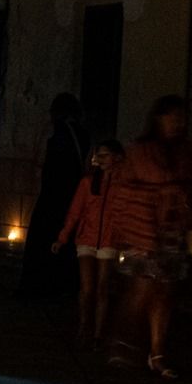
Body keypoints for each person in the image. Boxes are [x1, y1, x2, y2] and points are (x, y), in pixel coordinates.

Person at [109, 95, 192, 378]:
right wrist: (158, 194)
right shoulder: (139, 151)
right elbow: (122, 190)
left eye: (180, 118)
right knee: (141, 290)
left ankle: (157, 353)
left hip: (172, 233)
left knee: (165, 293)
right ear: (158, 119)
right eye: (170, 117)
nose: (176, 123)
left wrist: (182, 198)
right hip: (143, 231)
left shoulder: (187, 152)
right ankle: (122, 344)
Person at [52, 140, 123, 347]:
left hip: (109, 240)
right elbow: (75, 212)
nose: (101, 159)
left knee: (102, 287)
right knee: (87, 287)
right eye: (98, 155)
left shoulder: (121, 184)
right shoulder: (87, 182)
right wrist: (62, 237)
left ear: (115, 157)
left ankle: (99, 333)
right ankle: (84, 327)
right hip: (87, 238)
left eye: (105, 155)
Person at [21, 93, 90, 298]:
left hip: (52, 194)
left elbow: (38, 158)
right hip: (74, 195)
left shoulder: (53, 130)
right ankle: (65, 286)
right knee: (68, 239)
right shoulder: (83, 134)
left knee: (43, 238)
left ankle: (40, 287)